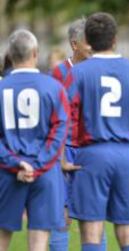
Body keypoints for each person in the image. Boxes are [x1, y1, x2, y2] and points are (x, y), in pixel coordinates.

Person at [65, 12, 129, 251]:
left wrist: (63, 157)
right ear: (115, 39)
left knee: (92, 230)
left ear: (88, 39)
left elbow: (64, 117)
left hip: (92, 154)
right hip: (127, 155)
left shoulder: (77, 73)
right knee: (127, 230)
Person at [0, 29, 68, 251]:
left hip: (7, 173)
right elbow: (60, 130)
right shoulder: (54, 87)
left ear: (10, 54)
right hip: (45, 173)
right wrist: (37, 166)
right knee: (38, 244)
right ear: (35, 54)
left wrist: (15, 163)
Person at [49, 18, 102, 251]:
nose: (93, 46)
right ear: (74, 44)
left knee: (93, 216)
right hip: (66, 148)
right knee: (62, 215)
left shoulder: (101, 69)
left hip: (93, 149)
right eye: (88, 42)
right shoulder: (58, 73)